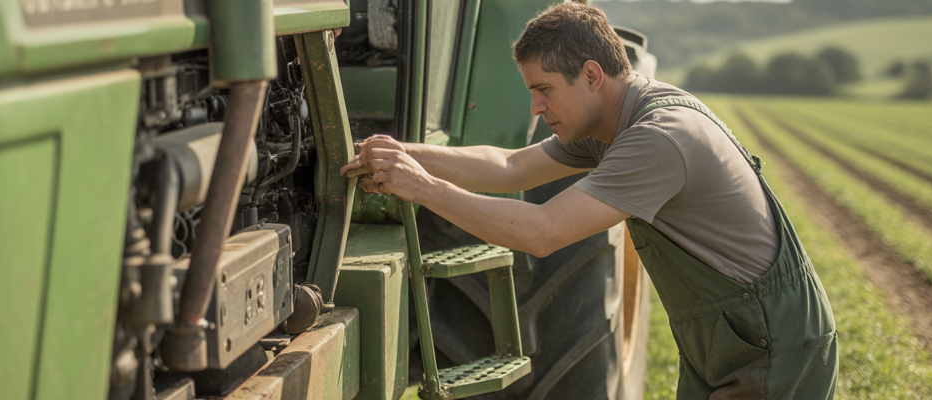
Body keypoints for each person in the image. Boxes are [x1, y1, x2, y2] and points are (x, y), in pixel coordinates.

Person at [339, 3, 838, 399]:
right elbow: (511, 167)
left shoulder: (659, 138)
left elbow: (541, 232)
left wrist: (421, 187)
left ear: (593, 75)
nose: (536, 107)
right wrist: (402, 152)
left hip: (771, 346)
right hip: (729, 338)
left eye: (544, 90)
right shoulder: (608, 123)